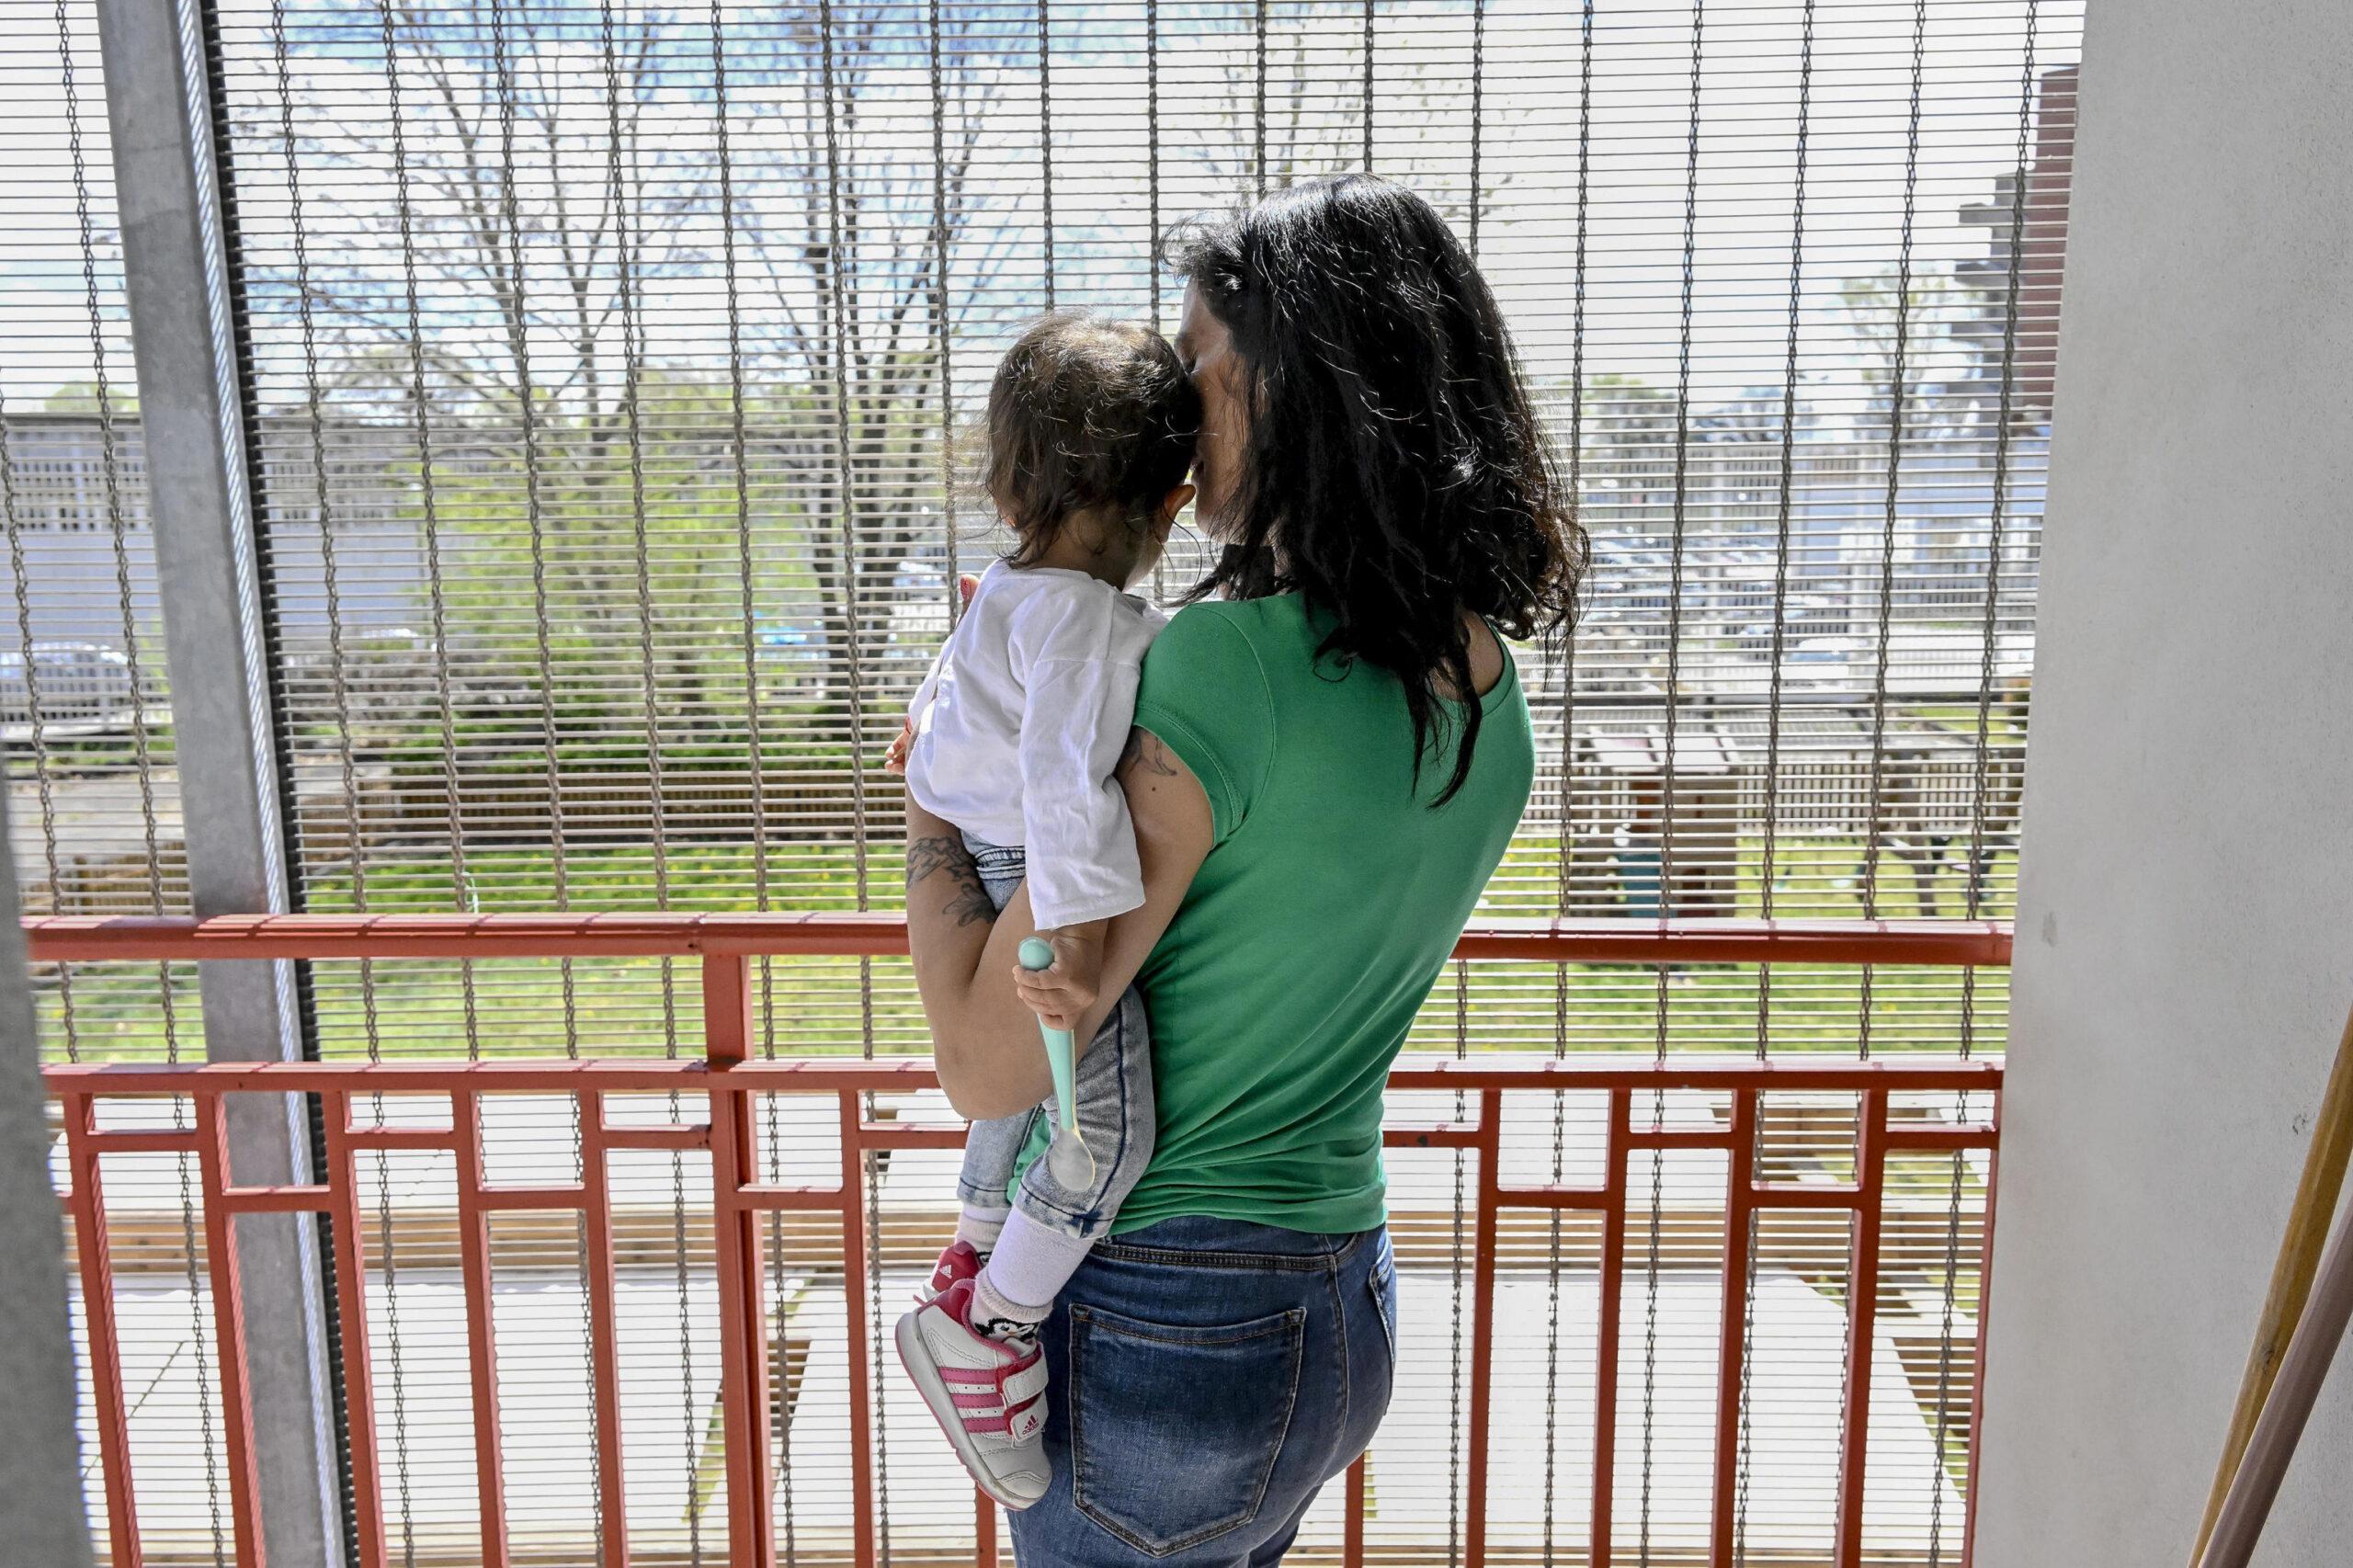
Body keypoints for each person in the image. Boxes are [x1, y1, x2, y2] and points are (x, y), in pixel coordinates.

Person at [904, 174, 1585, 1565]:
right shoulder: (1489, 686)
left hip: (1167, 1310)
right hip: (1339, 1299)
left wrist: (919, 797)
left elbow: (986, 1062)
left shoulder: (1221, 672)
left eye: (1199, 369)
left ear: (1299, 388)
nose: (1168, 412)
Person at [890, 312, 1201, 1510]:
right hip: (1036, 870)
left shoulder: (1010, 589)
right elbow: (1073, 786)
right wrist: (1071, 947)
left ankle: (976, 1244)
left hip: (976, 840)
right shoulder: (1075, 618)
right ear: (1167, 505)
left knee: (1022, 1108)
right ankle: (994, 1326)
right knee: (1100, 1136)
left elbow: (952, 695)